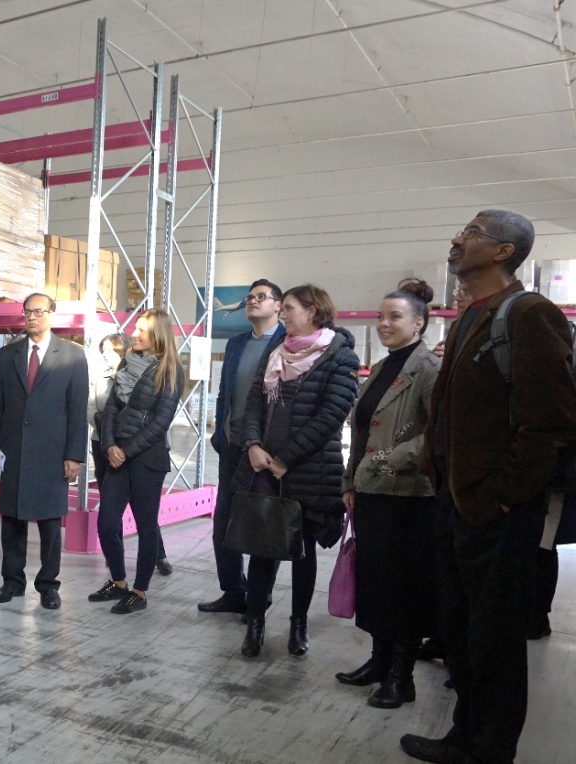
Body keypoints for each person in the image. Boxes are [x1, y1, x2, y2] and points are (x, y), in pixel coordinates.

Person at [402, 211, 576, 764]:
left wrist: (504, 495)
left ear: (504, 252)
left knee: (495, 639)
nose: (457, 239)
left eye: (473, 233)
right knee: (459, 629)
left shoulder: (528, 312)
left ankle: (491, 749)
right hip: (456, 502)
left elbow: (550, 421)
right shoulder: (469, 316)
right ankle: (464, 735)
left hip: (496, 509)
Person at [233, 284, 360, 658]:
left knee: (302, 555)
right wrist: (253, 445)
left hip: (309, 472)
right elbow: (253, 404)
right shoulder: (275, 353)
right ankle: (255, 624)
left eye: (288, 308)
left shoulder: (341, 357)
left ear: (313, 311)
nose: (283, 315)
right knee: (261, 550)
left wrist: (284, 459)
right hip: (263, 469)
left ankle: (298, 623)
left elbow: (330, 416)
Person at [337, 279, 441, 709]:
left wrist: (385, 462)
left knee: (405, 587)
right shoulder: (382, 367)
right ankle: (379, 661)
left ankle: (402, 675)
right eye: (380, 317)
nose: (384, 324)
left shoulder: (428, 370)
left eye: (394, 317)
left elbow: (438, 435)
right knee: (376, 582)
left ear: (419, 323)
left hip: (410, 497)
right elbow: (360, 432)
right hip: (372, 493)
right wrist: (351, 482)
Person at [0, 293, 89, 610]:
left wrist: (74, 455)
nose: (32, 316)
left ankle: (48, 585)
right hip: (13, 450)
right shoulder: (7, 355)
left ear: (52, 314)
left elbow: (77, 410)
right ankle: (12, 581)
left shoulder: (72, 356)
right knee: (12, 519)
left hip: (52, 452)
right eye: (27, 311)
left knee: (49, 522)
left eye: (39, 311)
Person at [198, 279, 286, 615]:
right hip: (232, 447)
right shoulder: (235, 344)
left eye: (261, 297)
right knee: (224, 522)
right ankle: (234, 591)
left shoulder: (286, 342)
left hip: (266, 451)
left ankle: (259, 598)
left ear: (278, 305)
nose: (253, 301)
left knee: (263, 525)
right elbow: (225, 394)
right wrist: (220, 435)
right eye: (250, 297)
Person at [89, 310, 184, 613]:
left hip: (147, 460)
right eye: (136, 327)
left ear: (158, 334)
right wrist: (109, 445)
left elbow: (160, 423)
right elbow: (111, 408)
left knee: (146, 528)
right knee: (106, 524)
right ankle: (118, 583)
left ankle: (139, 592)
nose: (136, 333)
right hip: (117, 456)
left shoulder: (169, 370)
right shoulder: (129, 364)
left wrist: (125, 451)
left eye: (142, 329)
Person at [90, 333, 172, 574]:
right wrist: (110, 438)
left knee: (144, 513)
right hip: (105, 445)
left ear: (122, 351)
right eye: (102, 350)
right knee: (109, 512)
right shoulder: (102, 379)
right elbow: (93, 410)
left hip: (140, 450)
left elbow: (159, 419)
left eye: (109, 350)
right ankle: (115, 564)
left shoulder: (152, 375)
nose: (105, 354)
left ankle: (158, 557)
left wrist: (124, 445)